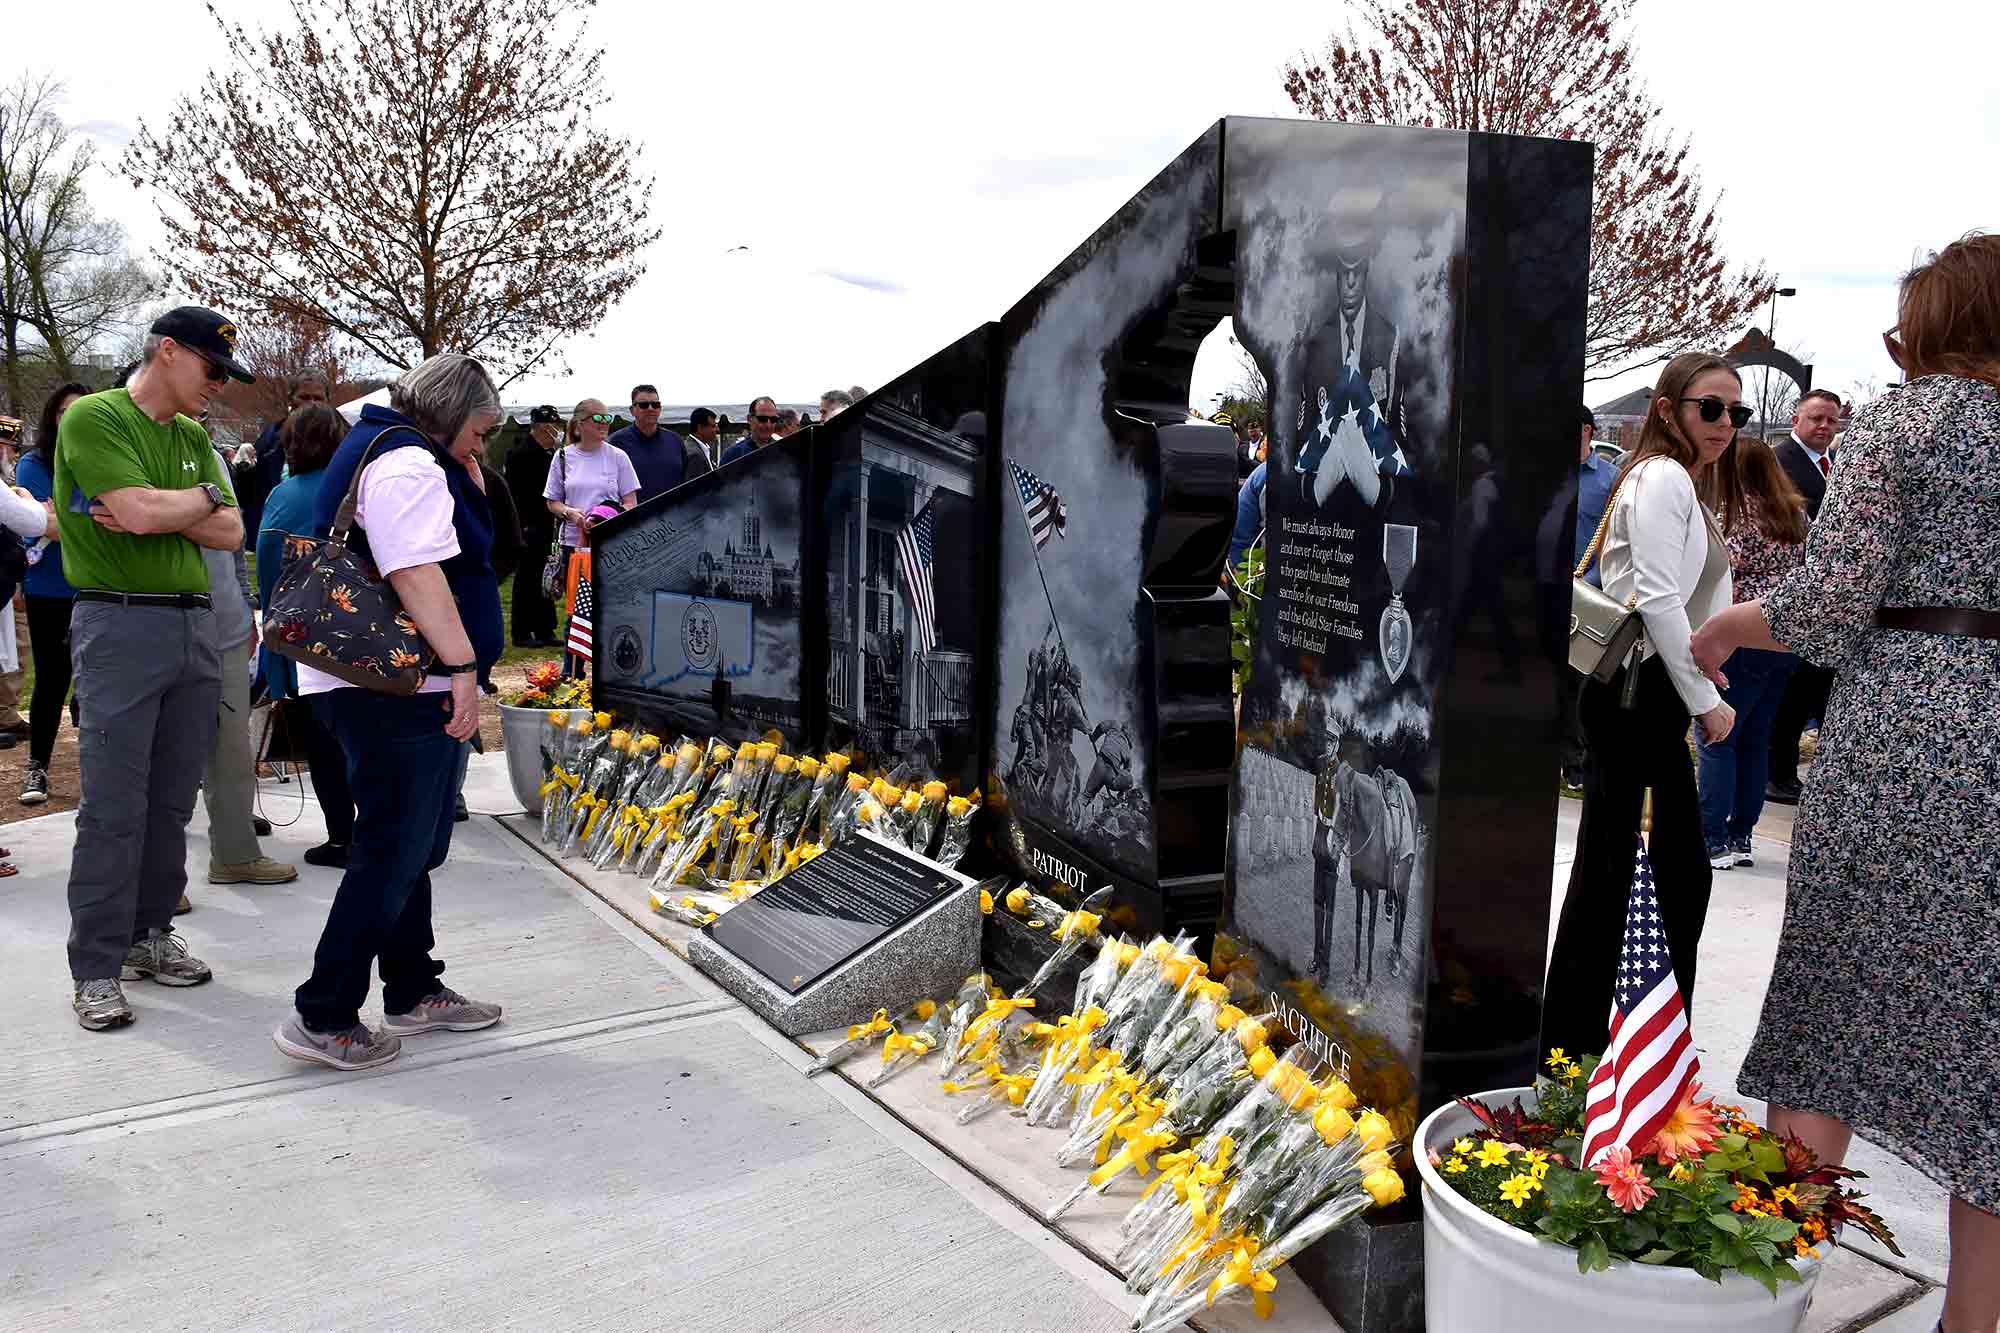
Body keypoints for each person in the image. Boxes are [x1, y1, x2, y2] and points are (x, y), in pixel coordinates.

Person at [1692, 234, 2000, 1333]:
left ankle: (1761, 1295)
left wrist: (1727, 624)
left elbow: (1829, 600)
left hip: (1904, 742)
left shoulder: (1907, 422)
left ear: (1936, 322)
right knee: (1987, 1054)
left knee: (1830, 1006)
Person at [274, 353, 506, 1071]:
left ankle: (412, 986)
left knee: (411, 846)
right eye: (478, 428)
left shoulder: (389, 445)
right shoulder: (406, 463)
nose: (481, 444)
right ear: (446, 413)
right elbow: (414, 570)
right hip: (395, 688)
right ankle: (325, 1012)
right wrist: (463, 666)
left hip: (392, 687)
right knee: (392, 850)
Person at [55, 306, 251, 1032]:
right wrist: (191, 502)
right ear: (167, 352)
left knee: (170, 800)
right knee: (113, 805)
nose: (218, 386)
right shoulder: (95, 419)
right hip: (119, 620)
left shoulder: (196, 437)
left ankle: (148, 934)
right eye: (211, 368)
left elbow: (231, 529)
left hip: (193, 623)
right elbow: (134, 513)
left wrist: (184, 503)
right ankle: (96, 967)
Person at [1540, 351, 1740, 1061]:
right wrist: (1705, 699)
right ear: (1667, 409)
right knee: (1652, 870)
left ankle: (1595, 1042)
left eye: (1735, 413)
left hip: (1643, 694)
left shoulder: (1676, 480)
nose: (1725, 424)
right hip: (1637, 693)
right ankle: (1598, 1046)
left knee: (1631, 868)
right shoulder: (1661, 477)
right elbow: (1656, 596)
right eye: (1709, 407)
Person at [1693, 440, 1807, 870]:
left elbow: (1723, 574)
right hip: (1780, 639)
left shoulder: (1733, 518)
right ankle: (1742, 835)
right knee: (1756, 740)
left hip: (1735, 636)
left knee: (1717, 737)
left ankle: (1713, 837)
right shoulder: (1795, 516)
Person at [255, 404, 355, 868]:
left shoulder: (283, 496)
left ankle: (341, 838)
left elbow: (269, 575)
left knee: (323, 747)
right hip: (365, 637)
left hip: (303, 641)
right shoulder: (360, 490)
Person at [199, 429, 298, 891]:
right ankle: (151, 885)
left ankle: (235, 853)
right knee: (158, 757)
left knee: (232, 748)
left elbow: (234, 539)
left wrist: (243, 610)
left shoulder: (207, 452)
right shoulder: (124, 445)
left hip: (224, 624)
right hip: (159, 626)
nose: (211, 388)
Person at [1763, 388, 1843, 805]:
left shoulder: (1838, 465)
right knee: (1790, 693)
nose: (1823, 427)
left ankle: (1787, 771)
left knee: (1814, 687)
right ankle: (1777, 773)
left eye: (1831, 420)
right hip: (1792, 589)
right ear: (1796, 420)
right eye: (1815, 418)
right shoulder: (1780, 463)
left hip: (1831, 596)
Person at [15, 382, 88, 804]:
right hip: (49, 589)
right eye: (63, 412)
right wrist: (93, 516)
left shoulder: (100, 459)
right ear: (52, 417)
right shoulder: (34, 463)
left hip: (97, 585)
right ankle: (37, 767)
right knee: (51, 678)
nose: (71, 420)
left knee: (98, 683)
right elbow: (44, 523)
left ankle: (104, 774)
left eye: (80, 412)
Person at [542, 398, 638, 580]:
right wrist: (569, 512)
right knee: (577, 606)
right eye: (598, 418)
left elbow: (631, 503)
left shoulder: (619, 457)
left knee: (608, 607)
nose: (604, 423)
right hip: (572, 545)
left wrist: (604, 518)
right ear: (580, 423)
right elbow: (552, 502)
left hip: (611, 546)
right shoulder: (562, 456)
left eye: (607, 418)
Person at [235, 372, 330, 549]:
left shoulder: (338, 438)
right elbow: (256, 488)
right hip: (276, 529)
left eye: (317, 398)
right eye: (304, 397)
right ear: (291, 399)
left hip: (319, 531)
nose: (310, 403)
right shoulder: (270, 438)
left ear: (327, 401)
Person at [504, 405, 563, 647]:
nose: (557, 430)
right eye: (553, 426)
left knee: (546, 577)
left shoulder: (550, 454)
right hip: (529, 525)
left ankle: (545, 628)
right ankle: (521, 631)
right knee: (527, 579)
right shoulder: (521, 453)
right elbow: (516, 495)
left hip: (548, 524)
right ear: (541, 426)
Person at [607, 382, 709, 503]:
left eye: (655, 404)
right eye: (644, 405)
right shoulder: (615, 443)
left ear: (660, 409)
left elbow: (685, 482)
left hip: (673, 516)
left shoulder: (675, 441)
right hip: (633, 519)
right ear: (632, 410)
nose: (650, 408)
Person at [720, 396, 781, 464]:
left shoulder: (784, 451)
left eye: (773, 419)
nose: (768, 425)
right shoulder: (732, 456)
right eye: (762, 419)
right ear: (749, 419)